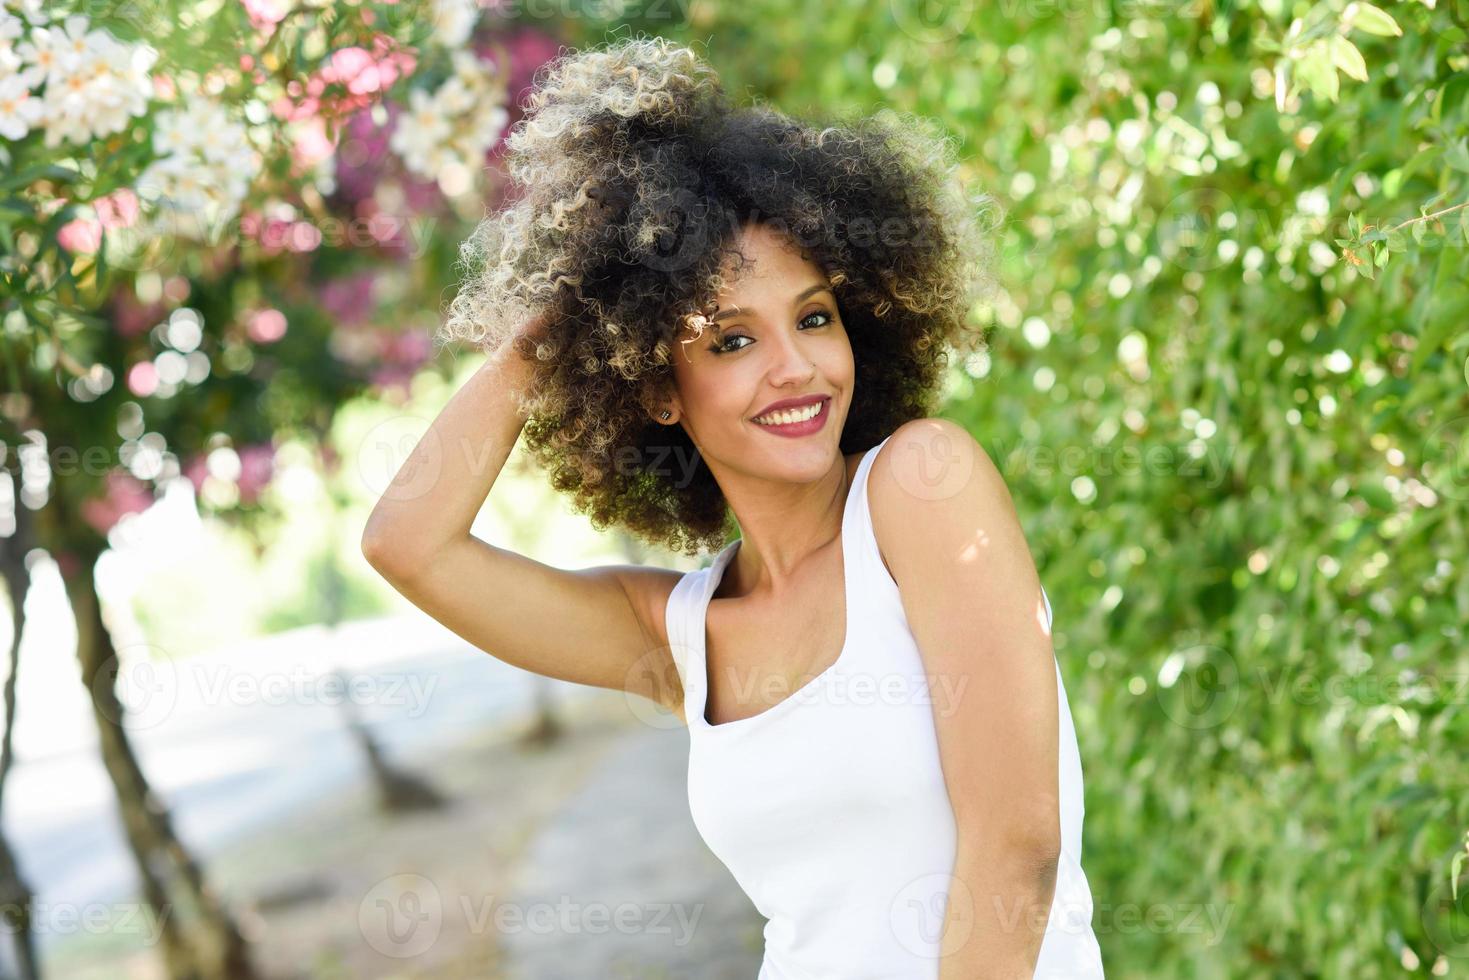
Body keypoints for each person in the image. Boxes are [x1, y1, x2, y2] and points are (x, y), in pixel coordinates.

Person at [362, 34, 1104, 979]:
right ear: (654, 384)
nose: (793, 367)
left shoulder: (923, 489)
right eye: (729, 341)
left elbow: (1018, 849)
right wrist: (562, 314)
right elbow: (406, 544)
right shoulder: (679, 638)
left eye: (813, 316)